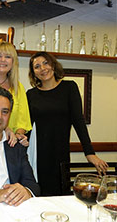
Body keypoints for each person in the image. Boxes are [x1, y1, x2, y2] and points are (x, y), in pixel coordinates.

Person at [27, 51, 108, 196]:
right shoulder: (31, 94)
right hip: (37, 155)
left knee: (60, 195)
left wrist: (89, 152)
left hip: (60, 153)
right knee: (39, 195)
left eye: (45, 63)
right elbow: (27, 126)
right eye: (37, 66)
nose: (43, 68)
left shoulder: (69, 88)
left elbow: (78, 121)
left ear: (53, 64)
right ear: (33, 73)